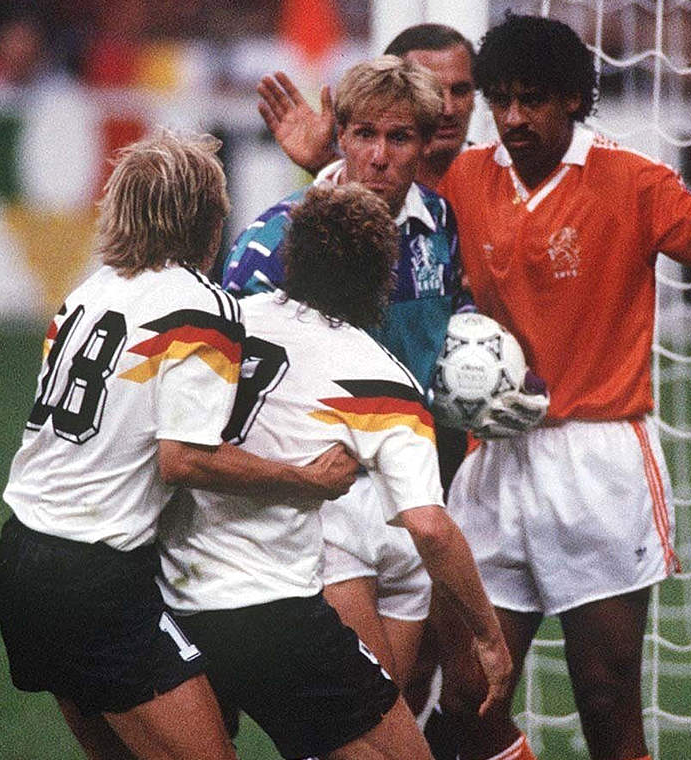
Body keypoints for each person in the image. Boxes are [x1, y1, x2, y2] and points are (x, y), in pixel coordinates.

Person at [428, 16, 691, 760]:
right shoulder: (466, 181)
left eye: (530, 99)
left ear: (573, 98)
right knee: (469, 700)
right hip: (496, 459)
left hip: (597, 460)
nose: (512, 118)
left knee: (605, 698)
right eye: (499, 100)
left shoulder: (631, 182)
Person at [0, 128, 360, 760]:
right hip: (93, 575)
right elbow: (184, 457)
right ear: (208, 219)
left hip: (22, 557)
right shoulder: (199, 306)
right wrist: (309, 482)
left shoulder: (85, 295)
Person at [158, 183, 511, 760]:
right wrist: (489, 635)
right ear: (382, 278)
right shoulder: (380, 378)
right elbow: (429, 528)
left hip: (175, 598)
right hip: (276, 612)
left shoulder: (225, 320)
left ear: (291, 259)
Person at [219, 55, 471, 694]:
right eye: (364, 135)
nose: (381, 156)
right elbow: (222, 375)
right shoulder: (278, 237)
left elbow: (451, 328)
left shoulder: (439, 227)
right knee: (363, 711)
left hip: (408, 496)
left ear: (424, 142)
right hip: (316, 505)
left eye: (399, 137)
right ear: (342, 137)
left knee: (391, 703)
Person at [256, 22, 476, 189]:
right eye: (433, 91)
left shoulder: (502, 178)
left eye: (460, 90)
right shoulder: (370, 182)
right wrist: (322, 162)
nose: (448, 109)